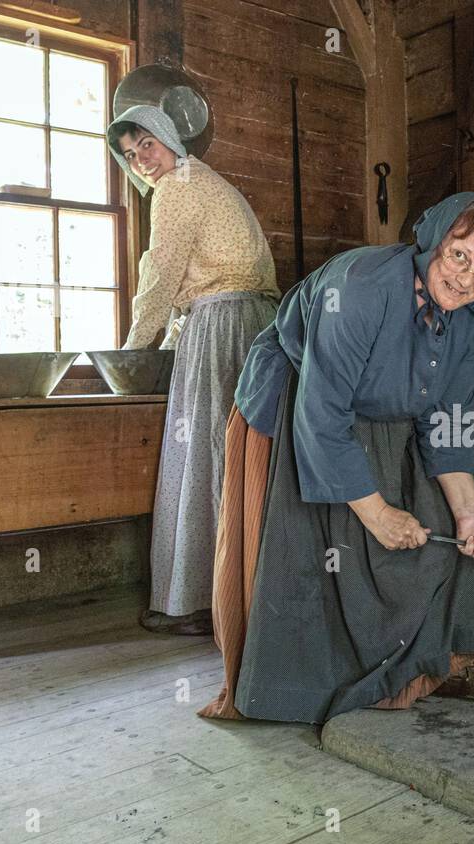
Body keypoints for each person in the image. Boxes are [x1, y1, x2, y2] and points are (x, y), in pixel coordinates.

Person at [199, 192, 474, 722]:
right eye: (459, 256)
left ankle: (442, 662)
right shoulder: (361, 288)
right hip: (297, 397)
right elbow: (322, 416)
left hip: (391, 406)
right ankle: (295, 685)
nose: (467, 280)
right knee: (313, 535)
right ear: (434, 243)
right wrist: (376, 513)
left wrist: (470, 512)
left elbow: (447, 420)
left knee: (441, 516)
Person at [106, 105, 281, 635]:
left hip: (222, 324)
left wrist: (135, 349)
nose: (142, 162)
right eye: (131, 157)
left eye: (148, 148)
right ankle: (242, 596)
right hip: (253, 322)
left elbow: (161, 274)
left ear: (168, 140)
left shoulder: (178, 186)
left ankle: (199, 604)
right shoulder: (202, 179)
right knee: (237, 456)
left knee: (202, 454)